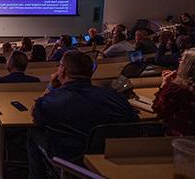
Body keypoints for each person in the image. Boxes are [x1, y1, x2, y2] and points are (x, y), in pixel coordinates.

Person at [28, 50, 139, 178]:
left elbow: (35, 115)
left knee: (33, 132)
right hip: (110, 164)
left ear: (63, 71)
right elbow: (134, 122)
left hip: (72, 164)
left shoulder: (50, 101)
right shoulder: (115, 97)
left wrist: (51, 88)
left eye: (59, 65)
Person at [152, 48, 195, 136]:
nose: (179, 62)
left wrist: (164, 85)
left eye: (181, 60)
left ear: (187, 65)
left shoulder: (177, 89)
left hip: (183, 140)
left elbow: (158, 110)